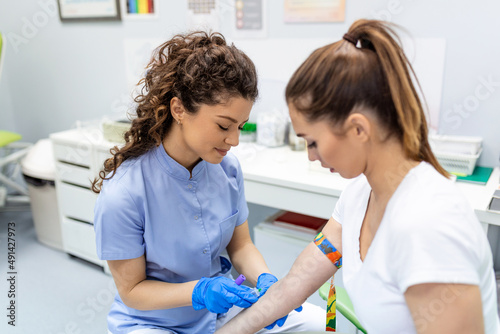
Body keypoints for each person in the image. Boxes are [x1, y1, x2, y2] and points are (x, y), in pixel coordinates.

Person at [215, 19, 500, 334]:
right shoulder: (359, 195)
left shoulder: (429, 224)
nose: (310, 155)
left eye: (313, 141)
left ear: (358, 129)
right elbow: (294, 285)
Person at [91, 31, 325, 334]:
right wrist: (199, 292)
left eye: (240, 127)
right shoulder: (124, 193)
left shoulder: (227, 170)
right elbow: (132, 291)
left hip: (218, 315)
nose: (235, 140)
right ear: (179, 110)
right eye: (223, 126)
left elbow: (240, 247)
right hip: (152, 324)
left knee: (314, 323)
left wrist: (268, 282)